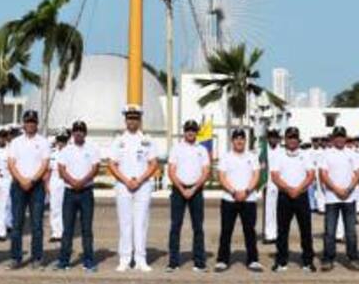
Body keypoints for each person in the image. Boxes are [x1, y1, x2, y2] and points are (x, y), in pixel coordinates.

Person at [108, 104, 159, 272]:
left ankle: (140, 259)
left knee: (141, 222)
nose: (132, 121)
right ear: (125, 119)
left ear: (139, 120)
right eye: (129, 117)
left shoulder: (147, 140)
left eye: (135, 118)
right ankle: (124, 258)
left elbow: (153, 164)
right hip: (123, 186)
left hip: (143, 186)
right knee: (125, 223)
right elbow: (112, 164)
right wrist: (126, 180)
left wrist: (139, 180)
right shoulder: (118, 140)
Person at [55, 119, 101, 273]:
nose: (79, 133)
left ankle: (88, 261)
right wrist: (73, 182)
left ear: (85, 133)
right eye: (76, 130)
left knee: (87, 229)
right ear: (72, 133)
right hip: (70, 192)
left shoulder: (92, 148)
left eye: (81, 130)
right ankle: (64, 261)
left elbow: (95, 169)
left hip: (86, 192)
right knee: (67, 229)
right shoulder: (66, 150)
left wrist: (82, 182)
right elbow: (61, 169)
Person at [7, 109, 51, 269]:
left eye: (33, 122)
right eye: (28, 122)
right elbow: (11, 164)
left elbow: (45, 164)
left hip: (36, 186)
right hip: (18, 186)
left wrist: (32, 180)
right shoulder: (16, 142)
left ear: (37, 124)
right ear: (23, 124)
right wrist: (22, 180)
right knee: (17, 224)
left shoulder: (44, 142)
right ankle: (15, 258)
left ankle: (37, 258)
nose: (30, 124)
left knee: (37, 225)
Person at [166, 118, 211, 272]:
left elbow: (206, 171)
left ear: (197, 132)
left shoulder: (202, 149)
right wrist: (182, 188)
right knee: (175, 226)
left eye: (193, 130)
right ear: (184, 132)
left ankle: (199, 262)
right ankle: (173, 262)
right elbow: (171, 171)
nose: (190, 132)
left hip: (196, 191)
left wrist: (193, 188)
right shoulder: (176, 148)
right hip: (178, 191)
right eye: (188, 130)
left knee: (198, 227)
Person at [216, 128, 263, 272]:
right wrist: (234, 192)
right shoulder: (226, 157)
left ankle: (253, 260)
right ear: (232, 141)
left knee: (249, 231)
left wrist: (247, 191)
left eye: (241, 138)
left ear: (245, 140)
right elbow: (221, 177)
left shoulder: (252, 156)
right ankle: (222, 260)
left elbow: (256, 175)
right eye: (236, 138)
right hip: (229, 198)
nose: (239, 141)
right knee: (226, 230)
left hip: (249, 199)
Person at [318, 126, 359, 271]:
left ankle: (353, 258)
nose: (339, 139)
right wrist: (336, 189)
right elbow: (323, 174)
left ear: (345, 138)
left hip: (349, 197)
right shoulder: (326, 154)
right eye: (337, 136)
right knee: (330, 231)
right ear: (333, 138)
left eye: (342, 136)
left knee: (350, 231)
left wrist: (349, 188)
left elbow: (358, 173)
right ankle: (328, 258)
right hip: (332, 197)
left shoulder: (352, 153)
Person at [270, 126, 316, 272]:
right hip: (284, 196)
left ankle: (308, 261)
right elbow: (275, 176)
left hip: (301, 195)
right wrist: (289, 189)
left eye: (294, 137)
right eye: (289, 137)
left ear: (298, 139)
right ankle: (281, 260)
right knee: (282, 230)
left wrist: (298, 189)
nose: (292, 140)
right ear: (285, 139)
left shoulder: (305, 155)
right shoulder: (279, 155)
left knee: (305, 230)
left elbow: (310, 175)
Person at [262, 128, 281, 244]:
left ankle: (279, 233)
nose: (273, 139)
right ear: (268, 138)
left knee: (280, 211)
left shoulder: (282, 151)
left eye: (275, 137)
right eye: (271, 137)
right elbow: (261, 166)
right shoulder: (264, 151)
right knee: (269, 211)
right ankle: (269, 234)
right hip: (269, 183)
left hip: (280, 184)